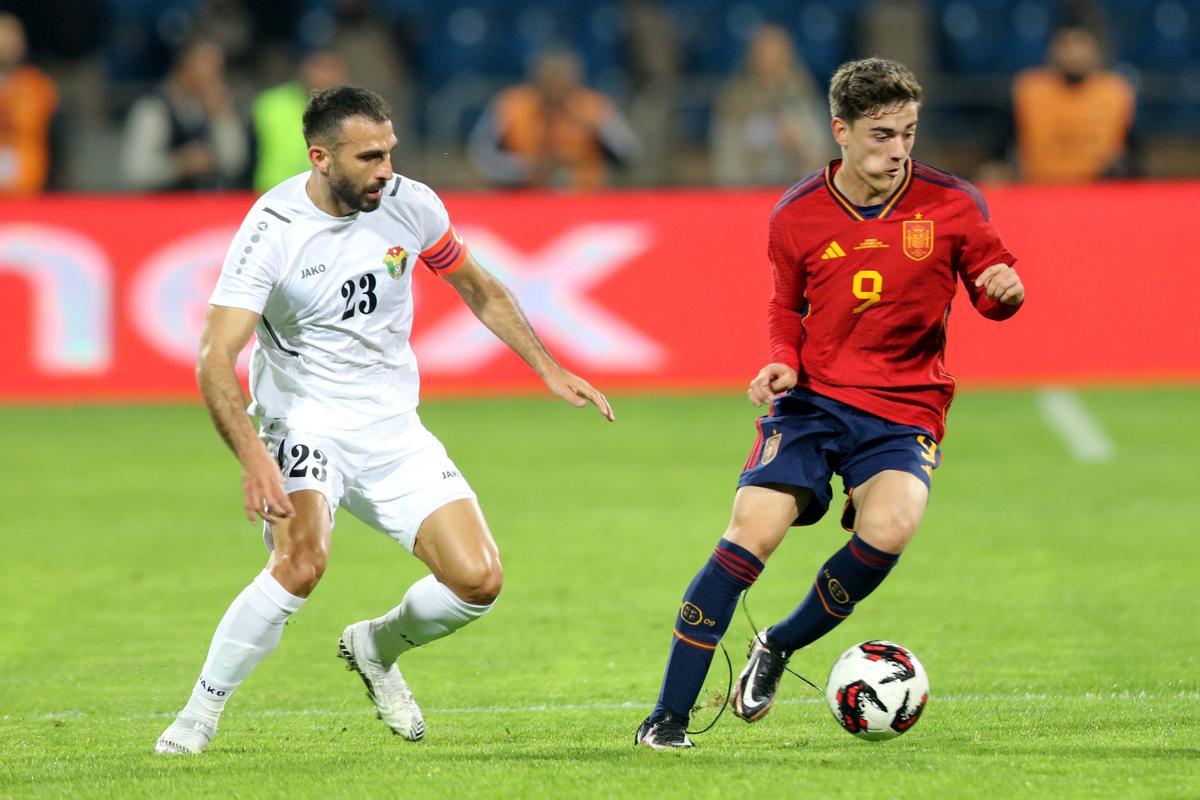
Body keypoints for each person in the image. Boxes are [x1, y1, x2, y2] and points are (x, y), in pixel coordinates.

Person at [155, 85, 614, 755]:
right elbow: (213, 360)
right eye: (369, 157)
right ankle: (197, 716)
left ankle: (375, 646)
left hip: (391, 426)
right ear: (320, 157)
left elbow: (479, 288)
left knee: (478, 580)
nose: (385, 170)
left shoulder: (410, 205)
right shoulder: (273, 230)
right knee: (302, 562)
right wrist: (256, 460)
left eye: (390, 151)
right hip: (302, 421)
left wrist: (549, 367)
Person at [635, 57, 1025, 749]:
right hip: (814, 403)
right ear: (839, 130)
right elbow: (786, 306)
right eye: (881, 135)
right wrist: (782, 361)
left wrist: (1002, 294)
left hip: (906, 405)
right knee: (750, 534)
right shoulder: (798, 215)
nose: (898, 150)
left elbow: (991, 294)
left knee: (893, 527)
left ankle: (778, 645)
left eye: (908, 132)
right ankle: (667, 718)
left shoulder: (954, 203)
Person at [468, 49, 640, 191]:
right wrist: (526, 170)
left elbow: (630, 153)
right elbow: (481, 158)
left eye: (562, 82)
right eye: (549, 82)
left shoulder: (594, 108)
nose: (555, 90)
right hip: (523, 198)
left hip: (585, 200)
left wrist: (600, 129)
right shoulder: (510, 107)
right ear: (536, 81)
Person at [120, 38, 250, 191]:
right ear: (184, 66)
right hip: (161, 206)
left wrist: (222, 117)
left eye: (219, 68)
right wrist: (180, 164)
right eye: (206, 65)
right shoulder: (154, 109)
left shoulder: (215, 107)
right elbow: (136, 172)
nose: (214, 75)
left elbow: (235, 163)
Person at [1012, 26, 1135, 183]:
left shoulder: (1115, 92)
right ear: (1053, 50)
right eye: (1066, 45)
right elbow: (1005, 141)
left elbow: (1131, 150)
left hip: (1098, 189)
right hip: (1042, 188)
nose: (1073, 53)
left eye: (1080, 45)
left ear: (1096, 52)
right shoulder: (1030, 92)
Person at [711, 24, 830, 187]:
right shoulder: (734, 102)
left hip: (793, 195)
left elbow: (821, 163)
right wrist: (749, 155)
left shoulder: (803, 99)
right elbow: (725, 168)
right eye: (764, 55)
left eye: (779, 56)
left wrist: (797, 145)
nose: (771, 63)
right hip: (749, 195)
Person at [251, 49, 348, 192]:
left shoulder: (355, 113)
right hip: (271, 194)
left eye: (331, 69)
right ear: (303, 69)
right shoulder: (270, 105)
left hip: (331, 198)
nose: (324, 77)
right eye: (318, 67)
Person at [0, 12, 58, 195]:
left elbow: (53, 137)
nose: (6, 44)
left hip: (30, 188)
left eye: (12, 36)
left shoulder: (37, 85)